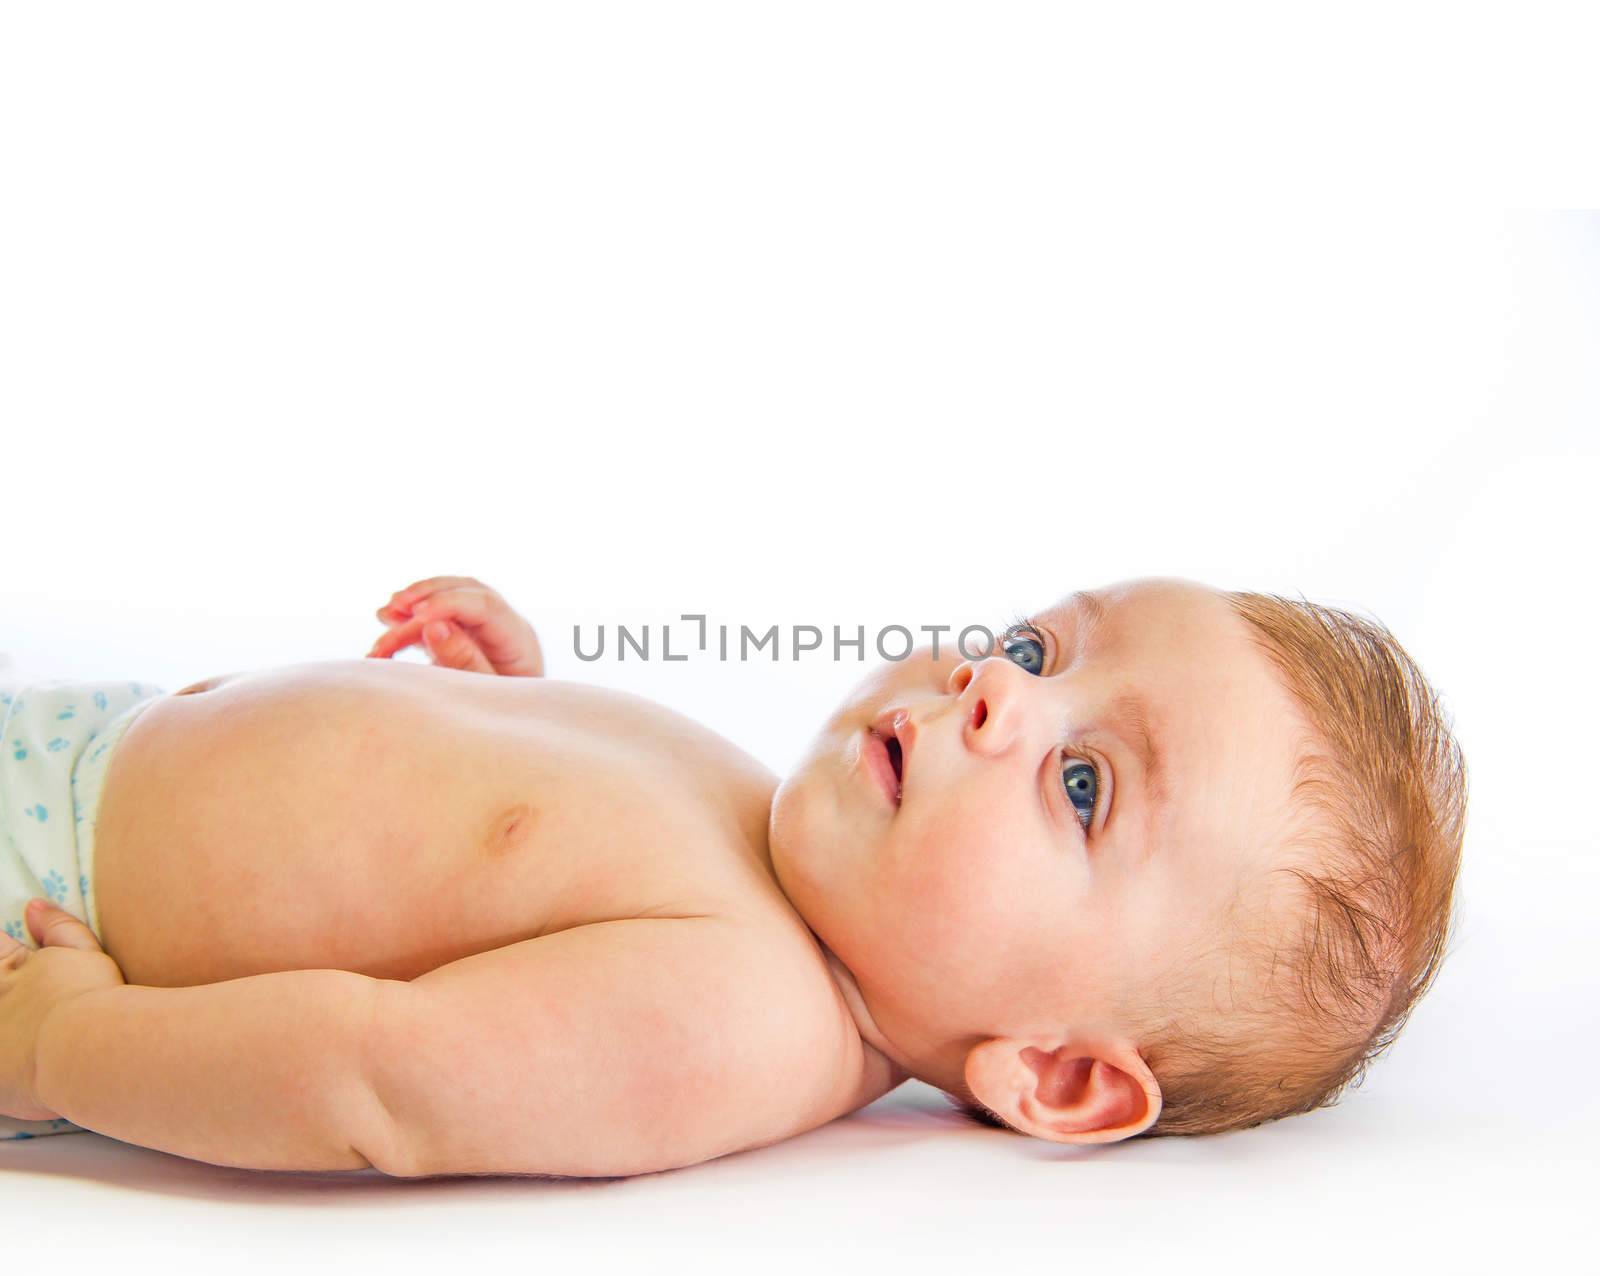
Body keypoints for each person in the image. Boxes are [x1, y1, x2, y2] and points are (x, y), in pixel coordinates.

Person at [0, 574, 1466, 1175]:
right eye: (1036, 647)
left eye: (1082, 787)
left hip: (50, 898)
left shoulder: (735, 1015)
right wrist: (509, 701)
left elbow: (377, 1086)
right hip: (85, 744)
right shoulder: (773, 847)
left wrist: (71, 1043)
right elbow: (508, 870)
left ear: (1059, 1075)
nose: (994, 693)